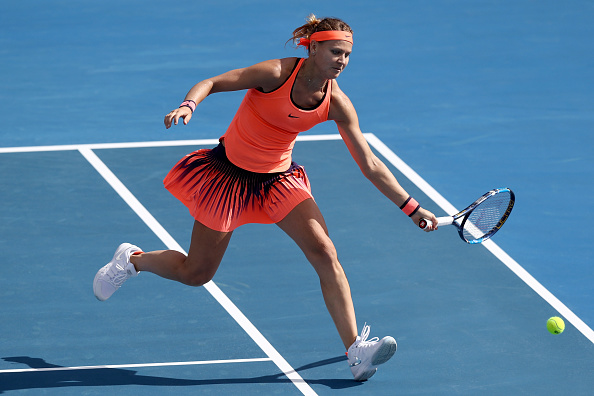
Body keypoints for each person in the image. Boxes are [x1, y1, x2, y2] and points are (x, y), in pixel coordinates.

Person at [93, 15, 438, 382]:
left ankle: (356, 350)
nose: (342, 61)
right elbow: (211, 82)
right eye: (336, 51)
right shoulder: (275, 73)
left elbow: (369, 164)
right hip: (228, 179)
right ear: (314, 47)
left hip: (279, 182)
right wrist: (188, 106)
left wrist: (411, 208)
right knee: (197, 274)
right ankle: (133, 260)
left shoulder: (337, 103)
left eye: (348, 55)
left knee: (324, 251)